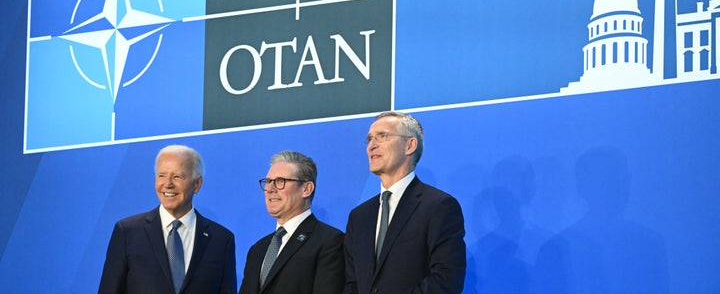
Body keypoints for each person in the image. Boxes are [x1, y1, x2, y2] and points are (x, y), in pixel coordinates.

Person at [343, 111, 466, 294]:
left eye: (382, 136)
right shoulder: (359, 216)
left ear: (410, 145)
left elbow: (446, 280)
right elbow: (352, 283)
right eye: (369, 139)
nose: (371, 145)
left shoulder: (438, 206)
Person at [98, 145, 237, 293]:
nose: (168, 184)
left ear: (197, 184)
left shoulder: (221, 240)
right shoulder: (128, 232)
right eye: (161, 175)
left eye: (177, 176)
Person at [239, 150, 345, 294]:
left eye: (280, 181)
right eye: (268, 181)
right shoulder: (257, 249)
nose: (270, 189)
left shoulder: (330, 241)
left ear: (306, 189)